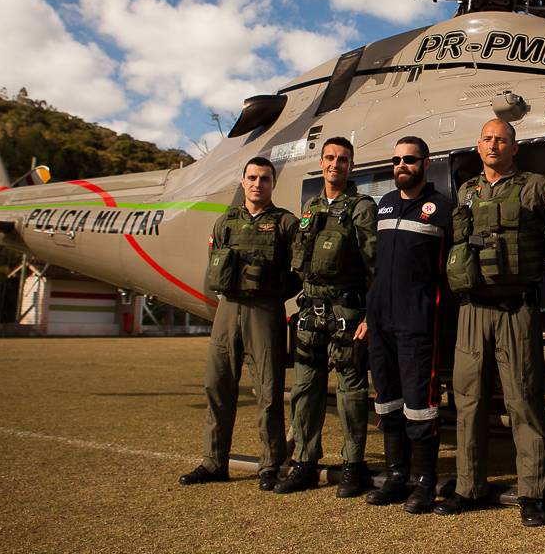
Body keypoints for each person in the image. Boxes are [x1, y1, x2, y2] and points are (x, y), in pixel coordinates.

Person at [434, 119, 545, 527]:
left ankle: (532, 493)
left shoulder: (536, 186)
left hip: (515, 308)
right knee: (468, 402)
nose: (493, 145)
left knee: (523, 400)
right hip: (472, 310)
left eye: (502, 139)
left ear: (514, 148)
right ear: (478, 144)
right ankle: (469, 487)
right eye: (487, 138)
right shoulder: (466, 191)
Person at [180, 156, 299, 492]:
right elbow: (216, 263)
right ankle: (213, 462)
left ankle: (270, 465)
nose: (257, 184)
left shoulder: (285, 223)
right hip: (228, 309)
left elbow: (303, 269)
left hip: (265, 312)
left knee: (269, 392)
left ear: (273, 184)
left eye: (264, 179)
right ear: (242, 182)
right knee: (217, 386)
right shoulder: (225, 222)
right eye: (252, 178)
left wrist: (274, 291)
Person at [275, 137, 377, 498]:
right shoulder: (311, 206)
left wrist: (371, 314)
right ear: (321, 162)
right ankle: (304, 463)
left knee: (350, 392)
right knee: (304, 390)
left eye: (343, 159)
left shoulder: (362, 207)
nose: (336, 164)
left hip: (347, 311)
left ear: (351, 166)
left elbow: (374, 265)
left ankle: (352, 465)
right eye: (330, 158)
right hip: (309, 313)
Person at [363, 136, 454, 514]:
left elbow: (451, 272)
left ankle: (423, 482)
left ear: (426, 163)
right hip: (380, 320)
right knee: (386, 400)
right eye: (397, 159)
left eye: (410, 159)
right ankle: (396, 476)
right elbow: (378, 266)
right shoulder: (383, 204)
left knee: (420, 404)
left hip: (417, 320)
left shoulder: (443, 209)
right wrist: (369, 317)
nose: (402, 165)